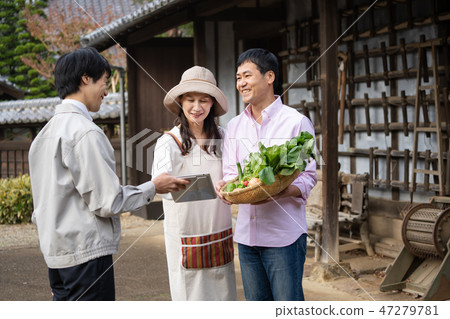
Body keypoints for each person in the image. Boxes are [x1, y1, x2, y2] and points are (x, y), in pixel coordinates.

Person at [28, 47, 189, 301]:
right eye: (104, 82)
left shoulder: (43, 135)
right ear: (85, 79)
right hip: (85, 256)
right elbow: (108, 202)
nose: (106, 91)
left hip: (56, 256)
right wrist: (153, 187)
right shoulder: (86, 132)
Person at [215, 48, 317, 301]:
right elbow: (231, 172)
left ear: (269, 76)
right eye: (238, 77)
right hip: (247, 239)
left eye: (247, 76)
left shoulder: (296, 122)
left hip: (284, 237)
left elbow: (308, 176)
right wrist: (227, 187)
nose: (241, 83)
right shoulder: (235, 125)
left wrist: (281, 190)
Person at [152, 66, 237, 301]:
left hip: (219, 229)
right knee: (191, 297)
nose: (197, 107)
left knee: (223, 296)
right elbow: (159, 185)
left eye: (204, 100)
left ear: (212, 104)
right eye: (190, 100)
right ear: (181, 101)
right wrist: (209, 187)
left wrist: (233, 185)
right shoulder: (169, 142)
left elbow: (235, 174)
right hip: (185, 234)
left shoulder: (223, 136)